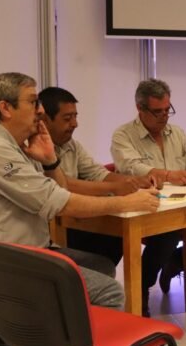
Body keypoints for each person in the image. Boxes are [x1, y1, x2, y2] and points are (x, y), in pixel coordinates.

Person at [0, 73, 159, 346]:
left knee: (100, 265)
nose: (41, 110)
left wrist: (49, 161)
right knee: (110, 291)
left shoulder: (17, 146)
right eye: (33, 102)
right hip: (0, 266)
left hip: (23, 252)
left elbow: (57, 190)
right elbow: (59, 202)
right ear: (5, 108)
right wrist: (126, 202)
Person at [110, 79, 186, 312]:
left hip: (182, 206)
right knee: (167, 232)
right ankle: (142, 288)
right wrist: (167, 175)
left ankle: (174, 263)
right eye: (158, 112)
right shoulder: (123, 135)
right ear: (140, 108)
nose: (164, 117)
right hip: (147, 207)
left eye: (167, 110)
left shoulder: (177, 133)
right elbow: (131, 167)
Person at [39, 86, 153, 265]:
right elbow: (63, 185)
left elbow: (96, 172)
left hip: (76, 219)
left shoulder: (72, 145)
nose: (75, 124)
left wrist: (135, 181)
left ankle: (100, 277)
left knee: (117, 234)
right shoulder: (35, 149)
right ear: (45, 120)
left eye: (75, 116)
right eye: (67, 118)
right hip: (52, 228)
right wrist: (115, 187)